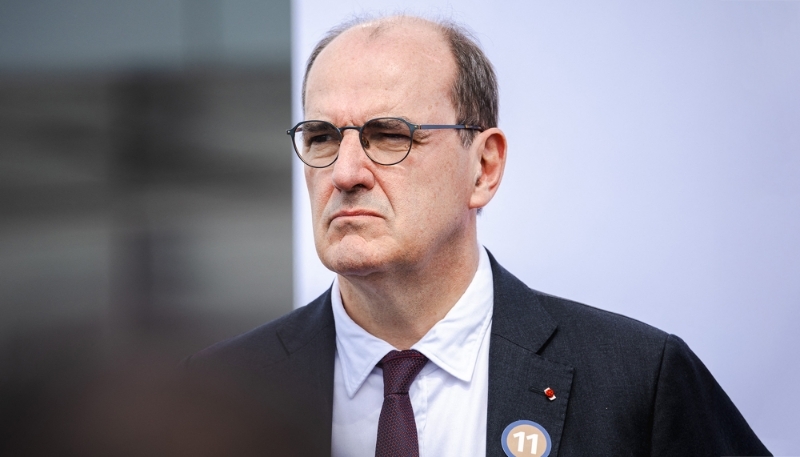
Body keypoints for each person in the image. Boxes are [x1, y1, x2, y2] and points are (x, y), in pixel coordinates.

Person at [182, 15, 770, 457]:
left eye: (390, 135)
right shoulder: (215, 397)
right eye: (320, 137)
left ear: (484, 167)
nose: (345, 172)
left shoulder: (636, 381)